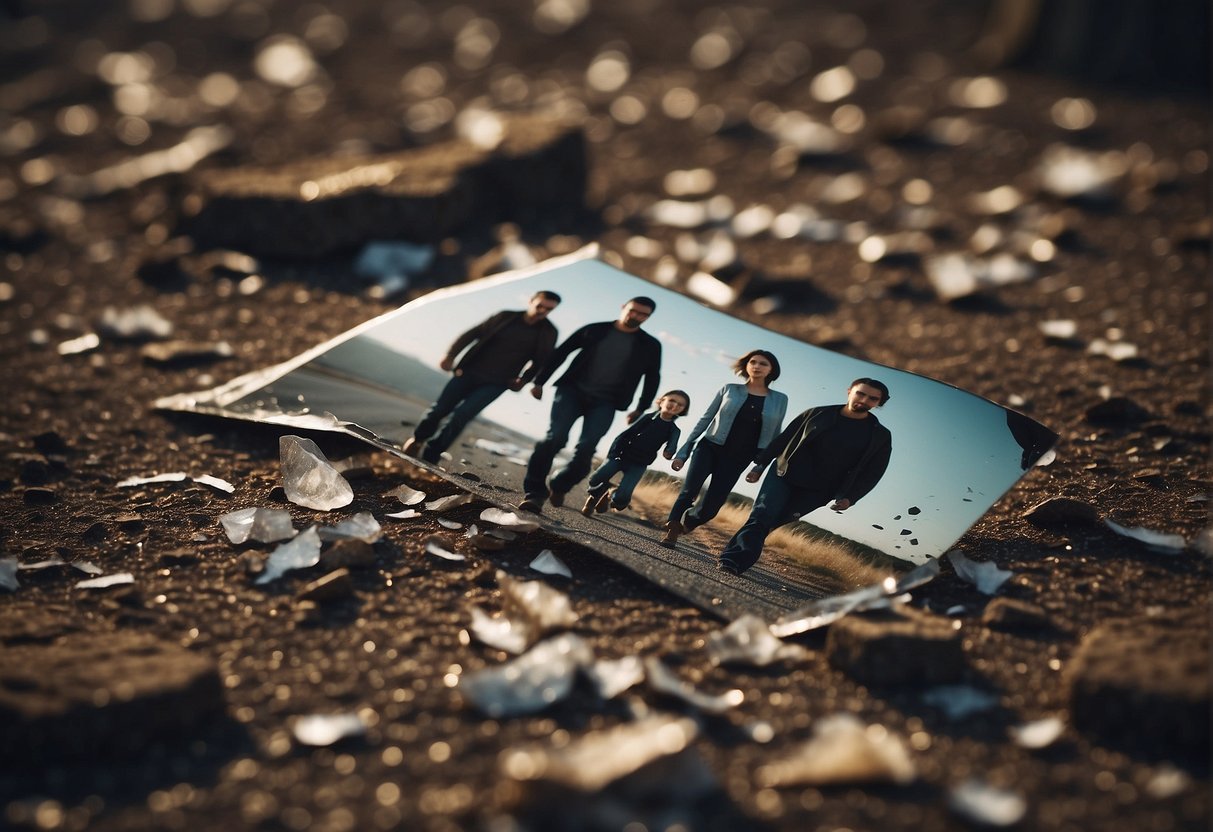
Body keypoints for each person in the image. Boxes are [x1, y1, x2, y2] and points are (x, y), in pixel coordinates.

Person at [717, 378, 893, 576]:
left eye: (872, 398)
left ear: (878, 403)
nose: (864, 400)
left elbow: (874, 471)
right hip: (785, 473)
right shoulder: (818, 413)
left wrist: (851, 497)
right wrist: (760, 465)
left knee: (773, 523)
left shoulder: (880, 436)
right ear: (850, 391)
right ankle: (732, 562)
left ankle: (736, 554)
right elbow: (786, 438)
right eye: (860, 393)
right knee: (762, 515)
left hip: (820, 490)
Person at [517, 297, 662, 513]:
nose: (637, 316)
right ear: (623, 307)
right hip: (571, 392)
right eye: (633, 311)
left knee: (586, 450)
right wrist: (539, 381)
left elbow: (652, 377)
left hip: (607, 402)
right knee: (554, 438)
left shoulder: (650, 345)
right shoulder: (595, 329)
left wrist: (641, 408)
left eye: (643, 314)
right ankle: (535, 494)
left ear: (648, 317)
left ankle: (560, 484)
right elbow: (561, 352)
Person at [402, 291, 560, 464]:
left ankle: (431, 455)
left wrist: (524, 380)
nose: (542, 311)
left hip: (497, 383)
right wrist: (450, 355)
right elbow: (472, 334)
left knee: (461, 415)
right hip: (469, 371)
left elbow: (541, 361)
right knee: (439, 409)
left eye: (548, 309)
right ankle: (418, 440)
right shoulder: (506, 316)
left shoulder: (549, 332)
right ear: (531, 301)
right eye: (539, 306)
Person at [660, 350, 788, 548]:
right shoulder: (729, 389)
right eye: (753, 362)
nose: (756, 366)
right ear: (746, 366)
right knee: (688, 491)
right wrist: (684, 451)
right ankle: (672, 529)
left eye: (763, 364)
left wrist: (760, 467)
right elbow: (706, 419)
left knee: (711, 507)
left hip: (740, 457)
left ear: (772, 370)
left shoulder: (780, 399)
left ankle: (689, 522)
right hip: (710, 446)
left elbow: (775, 435)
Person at [581, 390, 690, 516]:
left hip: (639, 463)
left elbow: (672, 446)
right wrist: (613, 454)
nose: (675, 405)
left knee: (621, 500)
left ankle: (611, 494)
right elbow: (625, 435)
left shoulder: (674, 430)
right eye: (672, 400)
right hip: (621, 455)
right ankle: (594, 496)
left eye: (680, 405)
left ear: (683, 410)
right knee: (595, 479)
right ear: (661, 401)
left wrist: (669, 453)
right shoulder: (647, 418)